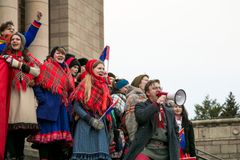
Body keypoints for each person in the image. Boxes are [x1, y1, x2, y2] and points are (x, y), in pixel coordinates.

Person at [27, 46, 74, 160]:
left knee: (58, 140)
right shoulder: (46, 66)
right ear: (52, 55)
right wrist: (43, 100)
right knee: (45, 139)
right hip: (48, 109)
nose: (60, 55)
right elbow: (37, 84)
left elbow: (70, 89)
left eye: (62, 54)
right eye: (58, 53)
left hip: (62, 109)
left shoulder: (67, 71)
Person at [2, 32, 41, 160]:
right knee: (10, 126)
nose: (15, 41)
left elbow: (37, 71)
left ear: (22, 42)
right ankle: (11, 154)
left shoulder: (28, 57)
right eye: (12, 39)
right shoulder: (4, 57)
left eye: (17, 39)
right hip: (11, 93)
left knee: (21, 128)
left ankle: (19, 155)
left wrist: (19, 65)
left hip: (25, 94)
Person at [124, 79, 179, 160]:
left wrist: (176, 144)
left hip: (166, 151)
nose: (158, 90)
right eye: (154, 88)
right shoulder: (141, 106)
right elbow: (142, 117)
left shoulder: (169, 110)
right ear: (147, 93)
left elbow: (175, 130)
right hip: (147, 149)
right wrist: (156, 103)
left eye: (159, 88)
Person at [70, 59, 113, 160]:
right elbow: (76, 107)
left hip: (100, 124)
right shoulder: (84, 84)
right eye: (99, 68)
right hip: (85, 123)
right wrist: (90, 120)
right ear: (91, 69)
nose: (102, 70)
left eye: (103, 68)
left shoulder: (105, 87)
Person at [124, 74, 149, 142]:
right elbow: (130, 119)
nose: (148, 82)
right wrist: (133, 138)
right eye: (146, 80)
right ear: (138, 82)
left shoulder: (146, 98)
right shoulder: (133, 97)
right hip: (137, 136)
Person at [109, 78, 129, 159]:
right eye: (125, 87)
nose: (127, 89)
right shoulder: (115, 97)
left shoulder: (125, 98)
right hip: (116, 126)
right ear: (119, 88)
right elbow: (115, 112)